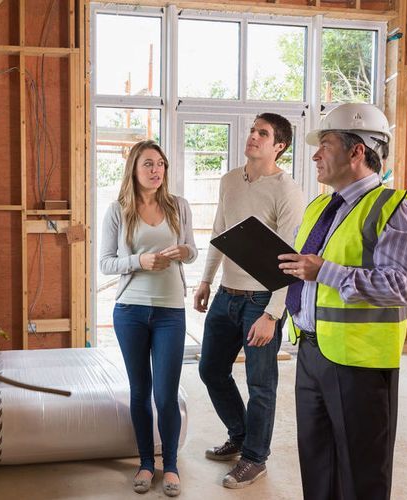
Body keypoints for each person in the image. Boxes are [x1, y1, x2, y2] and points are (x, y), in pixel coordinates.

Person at [278, 103, 407, 500]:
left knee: (361, 472)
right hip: (311, 351)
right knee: (316, 462)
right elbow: (305, 270)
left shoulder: (394, 208)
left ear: (357, 151)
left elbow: (403, 286)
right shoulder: (318, 208)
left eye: (324, 144)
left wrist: (324, 271)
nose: (315, 154)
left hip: (359, 363)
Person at [194, 114, 305, 489]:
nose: (253, 137)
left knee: (261, 385)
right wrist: (206, 280)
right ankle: (240, 435)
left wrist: (273, 315)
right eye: (253, 130)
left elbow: (291, 260)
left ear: (279, 146)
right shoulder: (229, 181)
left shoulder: (287, 190)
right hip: (227, 295)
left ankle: (255, 458)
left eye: (263, 133)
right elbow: (218, 234)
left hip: (262, 302)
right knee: (210, 369)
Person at [99, 140, 197, 497]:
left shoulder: (178, 207)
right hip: (131, 311)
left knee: (165, 392)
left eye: (161, 164)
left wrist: (184, 251)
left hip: (171, 310)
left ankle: (169, 466)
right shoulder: (118, 210)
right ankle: (145, 463)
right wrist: (139, 261)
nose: (156, 171)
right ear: (134, 170)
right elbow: (106, 262)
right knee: (139, 390)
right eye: (148, 164)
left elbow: (191, 250)